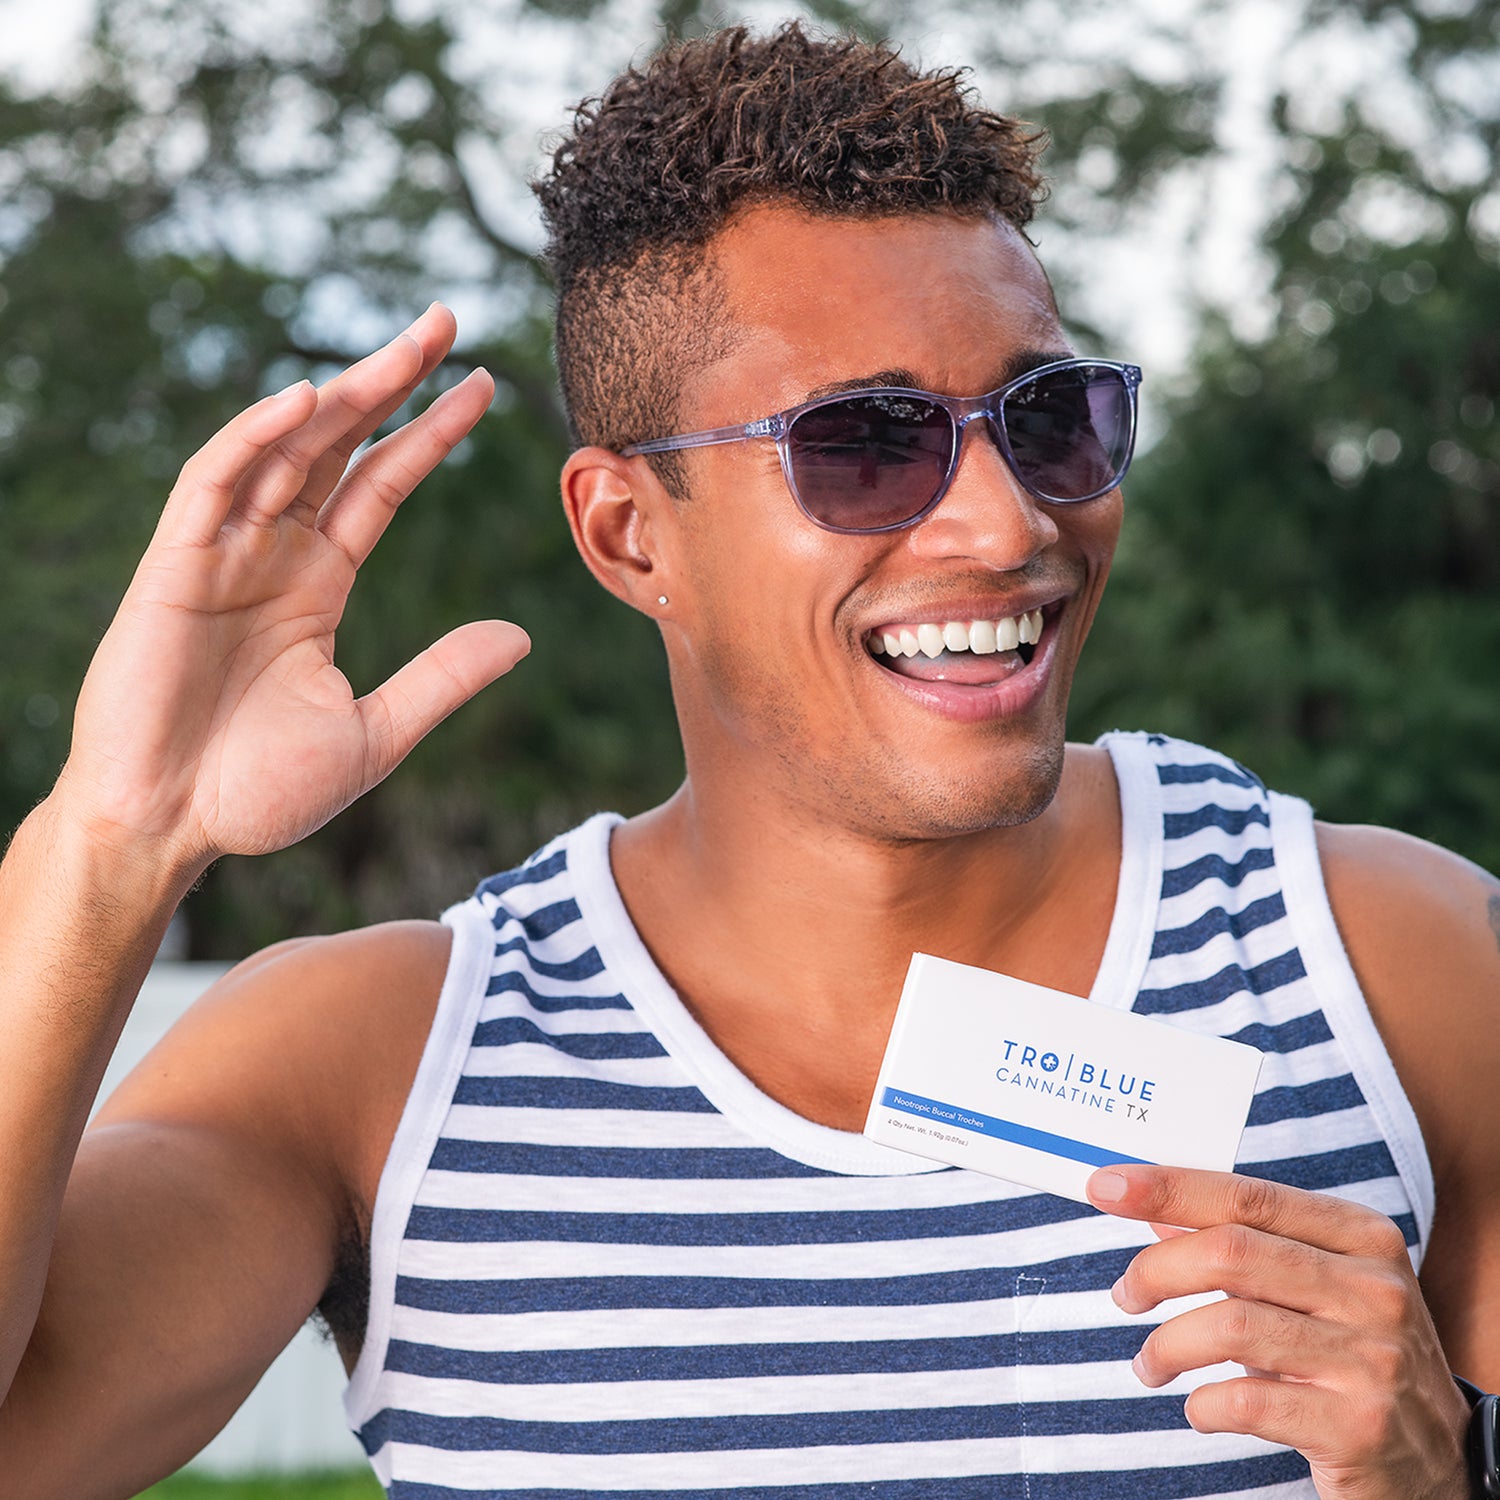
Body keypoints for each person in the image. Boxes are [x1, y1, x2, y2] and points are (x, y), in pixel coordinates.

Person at [0, 22, 1496, 1500]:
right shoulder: (376, 1069)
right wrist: (110, 843)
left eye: (1049, 418)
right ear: (628, 532)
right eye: (864, 443)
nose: (1008, 526)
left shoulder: (1399, 970)